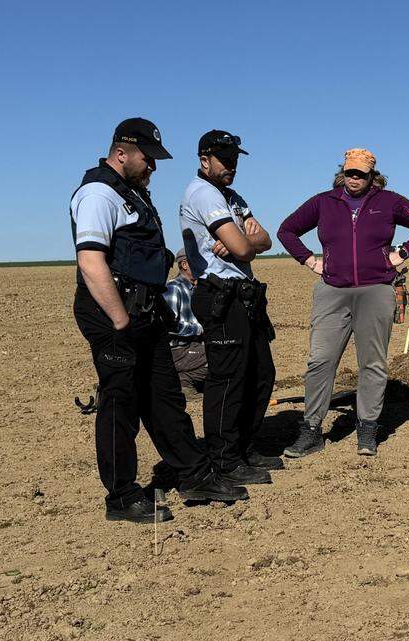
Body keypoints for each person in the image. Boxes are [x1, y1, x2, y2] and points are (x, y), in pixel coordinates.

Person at [70, 118, 248, 523]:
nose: (153, 166)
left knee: (165, 396)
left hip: (144, 311)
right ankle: (121, 496)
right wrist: (119, 320)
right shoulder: (98, 194)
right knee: (121, 403)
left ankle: (195, 475)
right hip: (114, 313)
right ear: (122, 153)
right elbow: (91, 261)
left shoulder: (131, 194)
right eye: (148, 158)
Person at [277, 148, 409, 457]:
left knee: (372, 364)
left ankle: (367, 429)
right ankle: (311, 430)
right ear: (343, 171)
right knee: (320, 362)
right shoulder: (323, 202)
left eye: (361, 174)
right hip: (332, 291)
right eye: (350, 172)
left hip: (376, 290)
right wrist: (310, 261)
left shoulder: (389, 202)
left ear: (371, 175)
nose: (355, 178)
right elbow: (287, 230)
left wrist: (402, 254)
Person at [179, 130, 279, 484]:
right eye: (224, 159)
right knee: (228, 379)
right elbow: (242, 248)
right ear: (204, 160)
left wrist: (245, 240)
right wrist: (243, 240)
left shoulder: (231, 196)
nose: (231, 166)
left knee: (260, 373)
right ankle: (225, 458)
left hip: (245, 294)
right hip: (219, 293)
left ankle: (246, 448)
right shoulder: (204, 193)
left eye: (235, 159)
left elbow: (265, 239)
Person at [163, 248, 207, 392]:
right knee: (218, 356)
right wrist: (198, 329)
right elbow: (169, 326)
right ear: (185, 264)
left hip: (193, 347)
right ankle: (183, 381)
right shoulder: (173, 288)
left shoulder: (195, 289)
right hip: (179, 350)